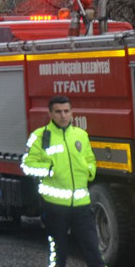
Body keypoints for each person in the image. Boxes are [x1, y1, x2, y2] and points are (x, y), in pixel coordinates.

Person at [21, 95, 105, 267]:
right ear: (50, 114)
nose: (63, 115)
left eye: (66, 111)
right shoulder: (39, 137)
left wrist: (89, 171)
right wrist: (50, 169)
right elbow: (27, 166)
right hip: (55, 207)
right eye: (58, 112)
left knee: (93, 252)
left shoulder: (81, 135)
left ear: (72, 112)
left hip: (82, 205)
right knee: (59, 254)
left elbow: (90, 160)